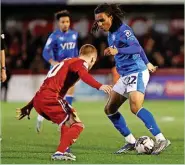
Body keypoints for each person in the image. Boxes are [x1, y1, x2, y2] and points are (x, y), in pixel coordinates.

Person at [91, 3, 170, 155]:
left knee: (135, 107)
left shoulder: (124, 30)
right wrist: (148, 62)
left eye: (102, 20)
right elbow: (138, 48)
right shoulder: (110, 33)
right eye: (97, 21)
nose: (99, 24)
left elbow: (136, 47)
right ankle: (131, 142)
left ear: (111, 17)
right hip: (125, 75)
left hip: (137, 72)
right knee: (109, 109)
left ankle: (161, 139)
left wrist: (118, 50)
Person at [16, 44, 112, 161]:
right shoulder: (81, 63)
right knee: (77, 125)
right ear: (93, 59)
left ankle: (63, 150)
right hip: (51, 99)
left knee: (68, 120)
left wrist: (29, 106)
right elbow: (84, 76)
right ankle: (59, 153)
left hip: (40, 100)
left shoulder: (68, 61)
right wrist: (99, 86)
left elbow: (45, 86)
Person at [37, 10, 79, 133]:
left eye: (67, 21)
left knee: (70, 91)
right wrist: (52, 62)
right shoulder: (54, 36)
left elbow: (75, 51)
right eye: (63, 22)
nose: (65, 24)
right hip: (57, 70)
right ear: (58, 23)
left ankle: (66, 118)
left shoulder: (74, 34)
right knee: (54, 97)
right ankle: (41, 115)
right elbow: (45, 52)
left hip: (70, 68)